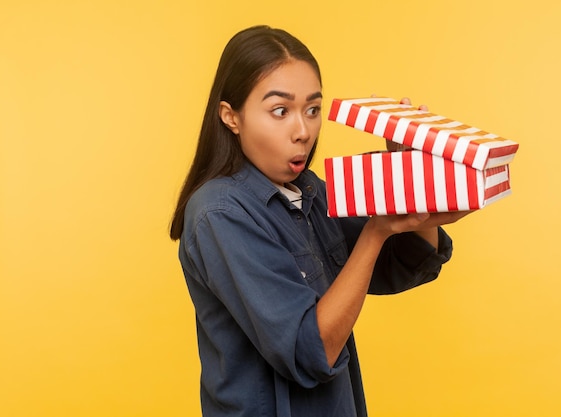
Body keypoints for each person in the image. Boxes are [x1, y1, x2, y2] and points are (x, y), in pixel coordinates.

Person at [170, 25, 470, 417]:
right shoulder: (220, 213)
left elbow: (403, 265)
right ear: (231, 117)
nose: (303, 131)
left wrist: (412, 181)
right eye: (280, 111)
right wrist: (377, 230)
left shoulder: (308, 190)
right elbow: (311, 350)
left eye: (312, 110)